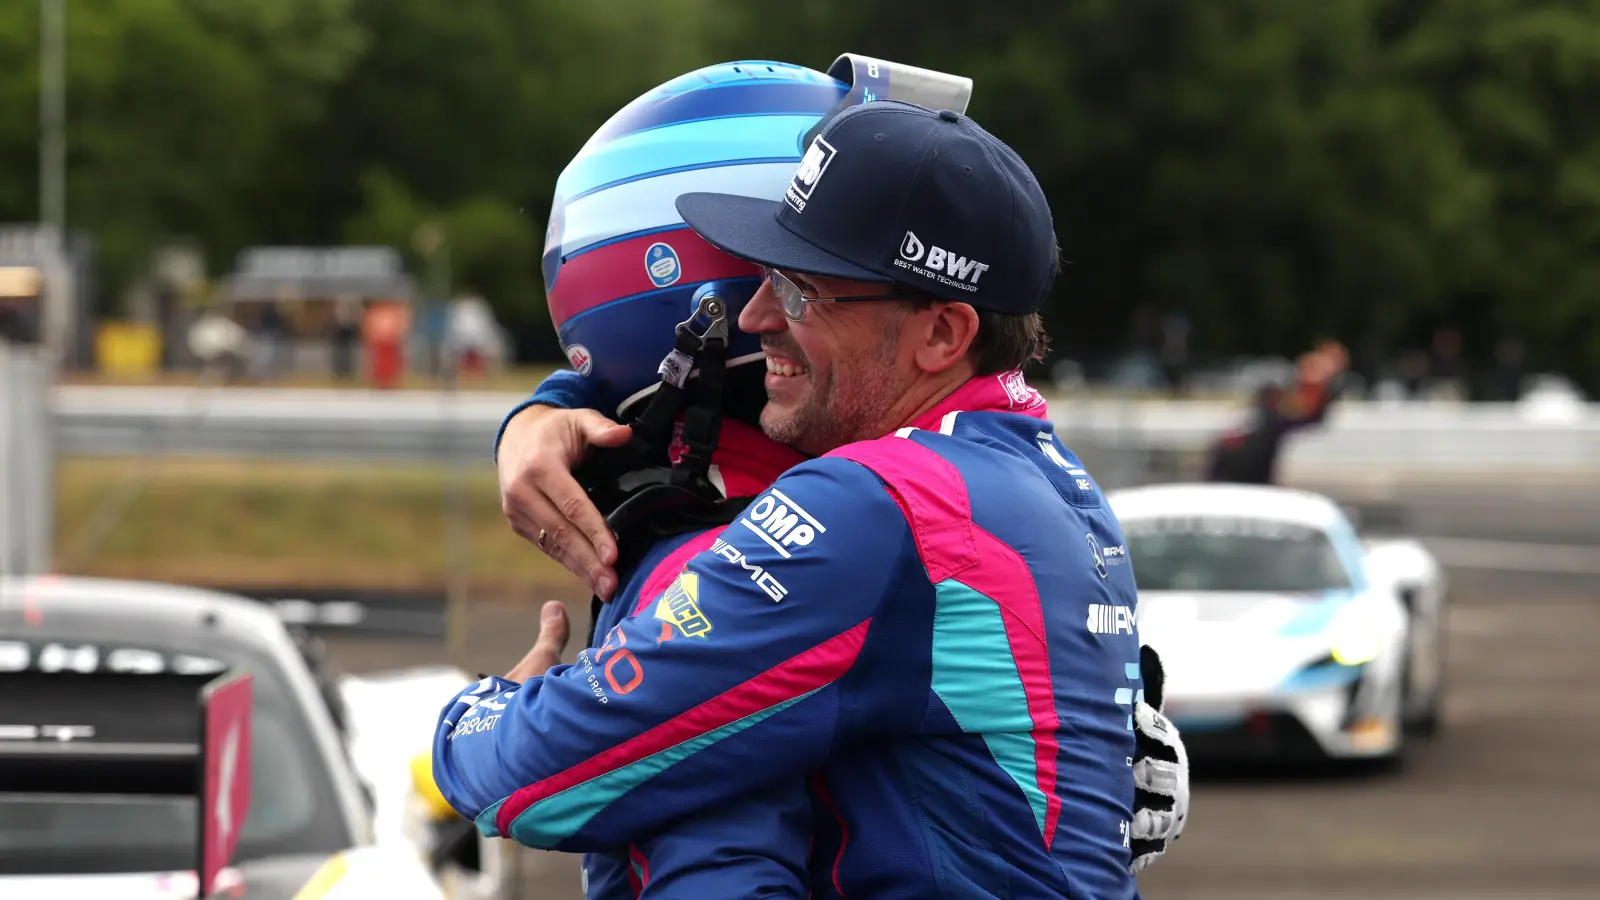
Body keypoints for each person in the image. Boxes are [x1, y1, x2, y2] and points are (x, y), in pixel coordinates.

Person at [436, 99, 1188, 898]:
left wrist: (470, 717)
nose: (757, 317)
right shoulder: (1059, 486)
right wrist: (549, 406)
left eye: (801, 292)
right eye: (765, 275)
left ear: (942, 334)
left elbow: (544, 773)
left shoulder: (875, 506)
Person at [1204, 339, 1349, 485]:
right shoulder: (1287, 393)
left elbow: (1303, 409)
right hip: (1274, 424)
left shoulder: (1323, 392)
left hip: (1285, 428)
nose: (1307, 369)